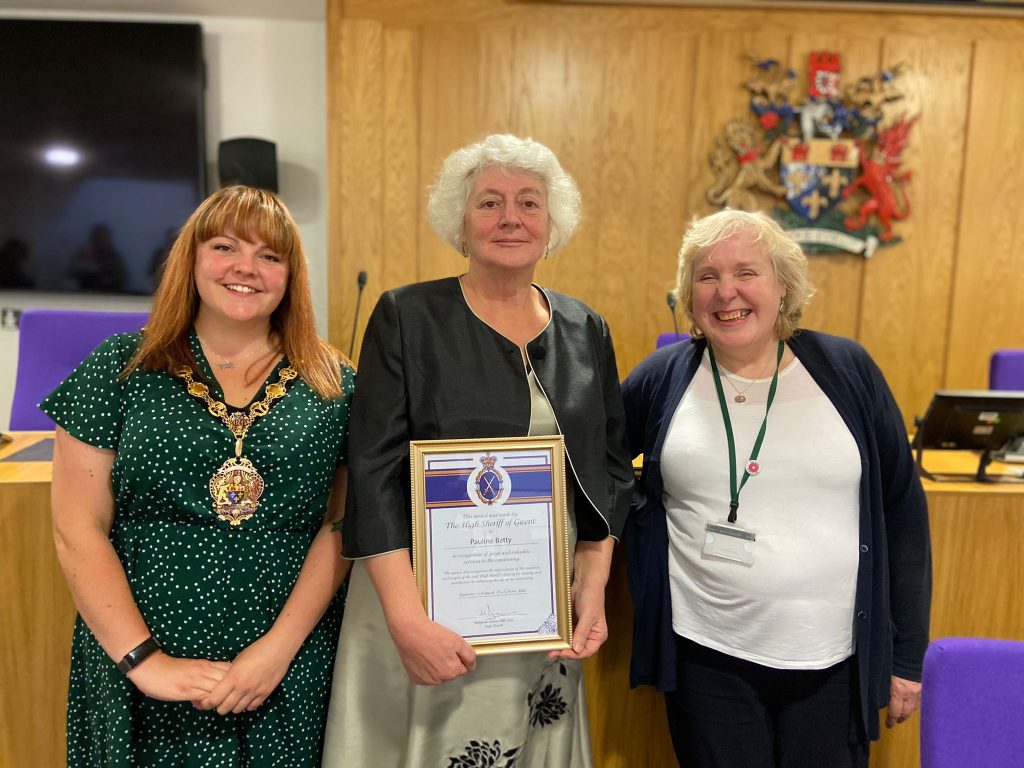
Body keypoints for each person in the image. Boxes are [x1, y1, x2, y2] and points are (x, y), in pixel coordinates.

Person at [322, 134, 633, 767]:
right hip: (417, 602)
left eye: (529, 203)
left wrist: (592, 587)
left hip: (542, 608)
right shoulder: (406, 317)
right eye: (489, 203)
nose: (511, 218)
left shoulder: (585, 328)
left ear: (553, 223)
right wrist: (408, 625)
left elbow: (606, 469)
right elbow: (375, 471)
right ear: (460, 223)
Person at [42, 186, 354, 765]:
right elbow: (76, 527)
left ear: (291, 274)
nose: (245, 268)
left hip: (285, 666)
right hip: (140, 663)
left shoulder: (335, 385)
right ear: (191, 258)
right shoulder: (119, 367)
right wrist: (145, 661)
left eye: (270, 255)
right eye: (224, 246)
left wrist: (277, 652)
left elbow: (342, 525)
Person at [621, 209, 931, 767]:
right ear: (689, 296)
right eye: (707, 275)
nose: (726, 292)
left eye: (747, 272)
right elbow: (596, 470)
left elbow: (903, 511)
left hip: (835, 660)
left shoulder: (846, 368)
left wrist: (907, 657)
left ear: (783, 287)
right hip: (707, 656)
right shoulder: (664, 375)